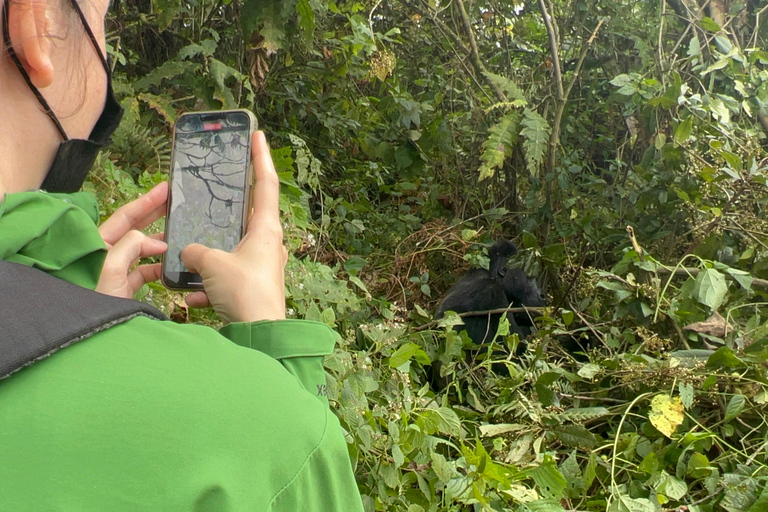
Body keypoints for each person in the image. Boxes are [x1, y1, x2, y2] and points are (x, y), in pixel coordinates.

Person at [0, 0, 365, 510]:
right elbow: (294, 470)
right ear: (36, 24)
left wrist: (65, 303)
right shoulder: (260, 429)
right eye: (102, 18)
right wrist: (272, 344)